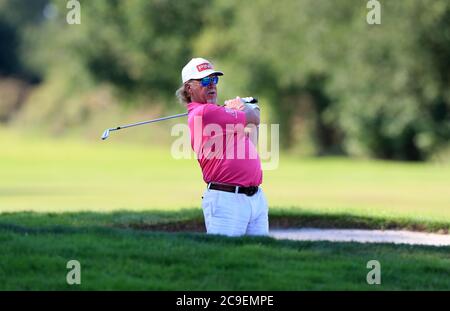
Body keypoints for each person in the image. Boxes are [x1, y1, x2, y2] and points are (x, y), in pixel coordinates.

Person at [176, 57, 269, 237]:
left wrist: (245, 109)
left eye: (214, 80)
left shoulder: (219, 114)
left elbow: (251, 136)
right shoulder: (205, 112)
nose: (211, 85)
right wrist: (243, 107)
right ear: (189, 88)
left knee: (259, 259)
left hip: (255, 198)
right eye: (204, 81)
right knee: (227, 258)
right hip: (226, 200)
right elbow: (255, 117)